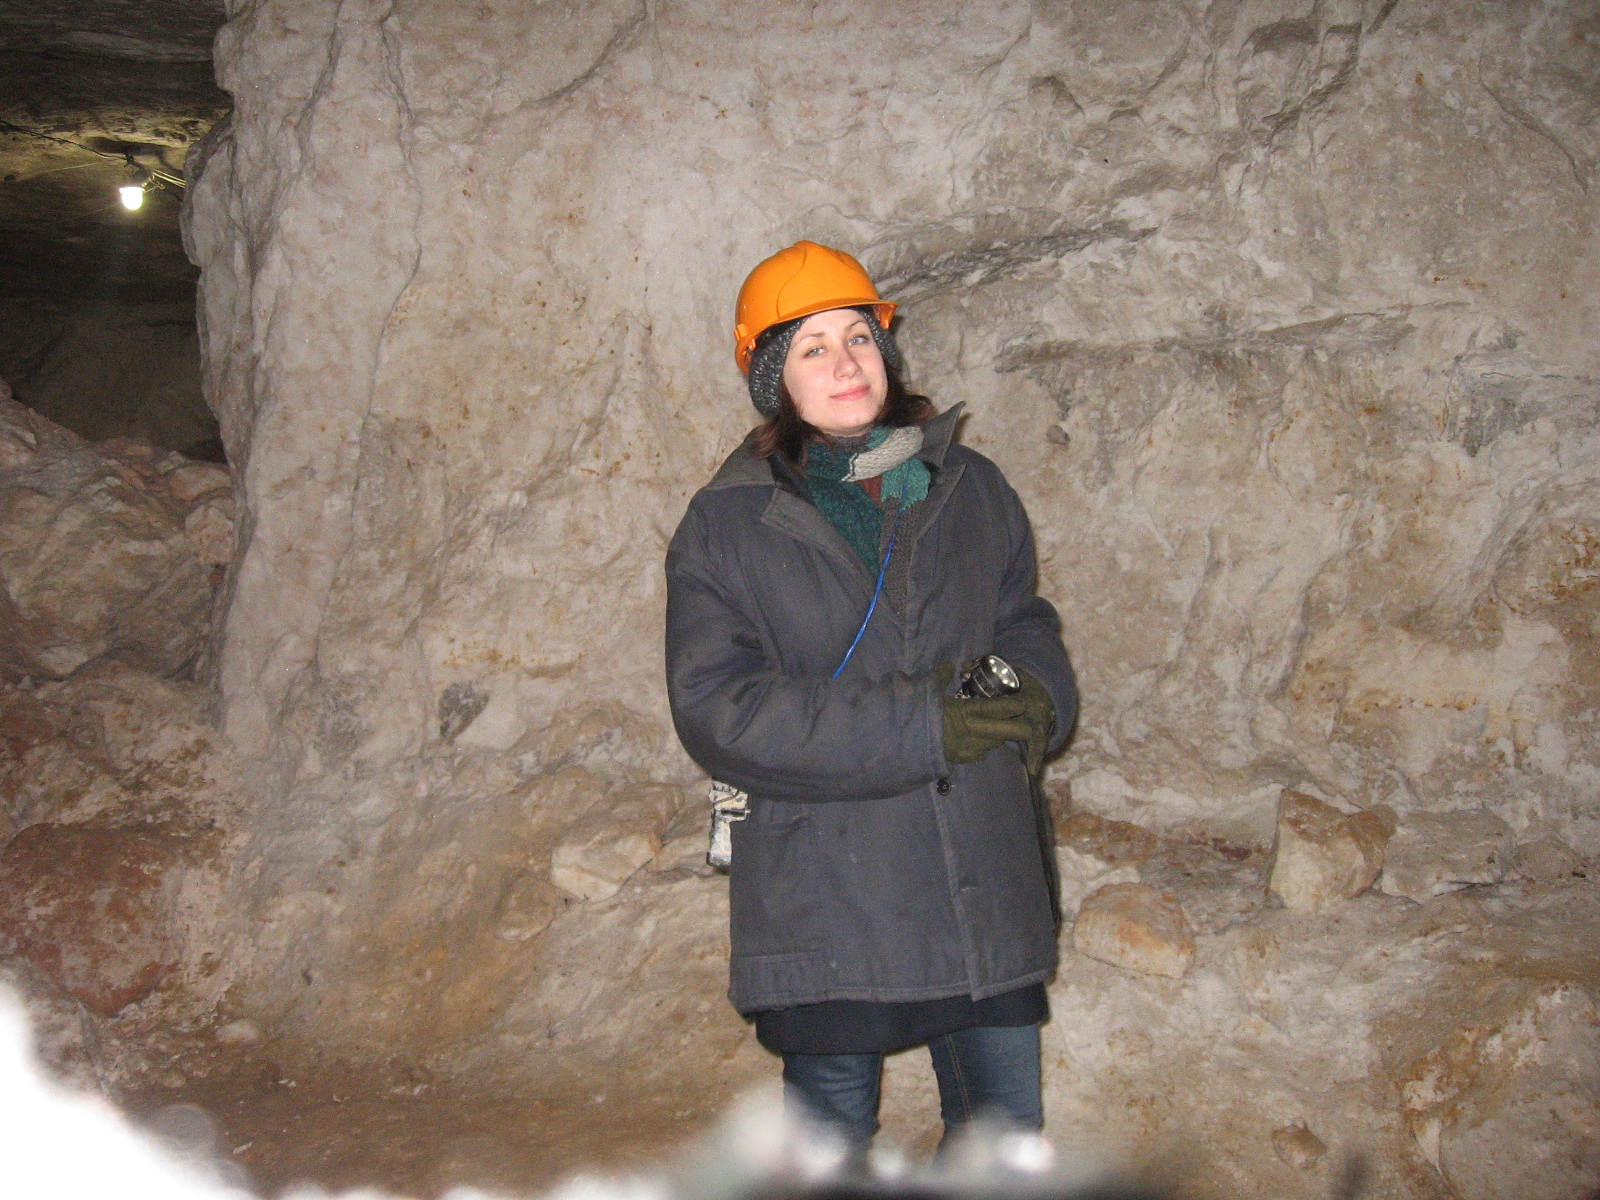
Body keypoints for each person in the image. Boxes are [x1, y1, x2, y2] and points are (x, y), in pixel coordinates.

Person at [665, 240, 1076, 1159]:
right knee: (832, 1146)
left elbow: (1023, 626)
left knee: (1003, 1143)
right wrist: (935, 721)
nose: (845, 363)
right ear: (775, 380)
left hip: (976, 873)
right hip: (832, 893)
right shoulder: (727, 524)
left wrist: (1023, 695)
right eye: (811, 348)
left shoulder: (971, 487)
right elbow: (723, 709)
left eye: (858, 337)